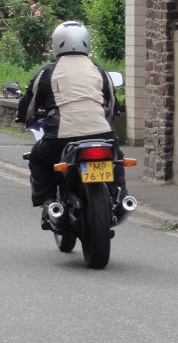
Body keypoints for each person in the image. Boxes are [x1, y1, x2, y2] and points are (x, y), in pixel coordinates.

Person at [16, 21, 126, 228]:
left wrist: (23, 117)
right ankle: (120, 197)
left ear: (56, 43)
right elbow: (112, 103)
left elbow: (29, 104)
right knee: (117, 158)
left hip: (61, 137)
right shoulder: (99, 70)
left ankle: (49, 203)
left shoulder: (47, 72)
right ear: (86, 42)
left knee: (37, 158)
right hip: (102, 134)